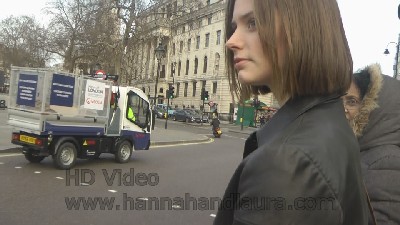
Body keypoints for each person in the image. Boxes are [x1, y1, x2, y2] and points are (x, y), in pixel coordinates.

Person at [214, 0, 369, 224]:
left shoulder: (286, 163)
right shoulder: (331, 121)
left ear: (302, 27)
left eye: (253, 23)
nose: (231, 41)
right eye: (233, 27)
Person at [343, 64, 400, 224]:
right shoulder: (362, 150)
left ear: (376, 109)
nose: (342, 108)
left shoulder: (388, 160)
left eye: (352, 101)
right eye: (340, 100)